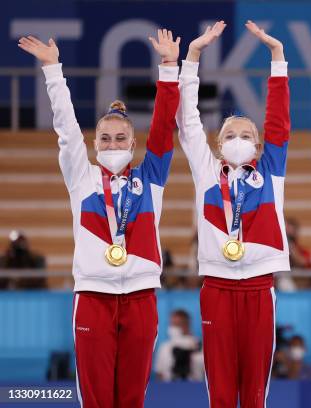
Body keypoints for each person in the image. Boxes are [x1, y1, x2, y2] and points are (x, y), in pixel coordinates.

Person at [18, 29, 180, 407]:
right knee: (95, 399)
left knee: (131, 398)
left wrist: (169, 68)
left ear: (133, 143)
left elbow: (163, 130)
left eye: (120, 139)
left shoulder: (150, 179)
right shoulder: (83, 177)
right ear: (95, 145)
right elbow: (66, 129)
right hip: (93, 296)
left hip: (141, 296)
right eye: (105, 139)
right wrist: (53, 71)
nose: (112, 145)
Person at [176, 20, 291, 407]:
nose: (237, 140)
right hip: (217, 288)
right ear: (218, 144)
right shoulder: (208, 173)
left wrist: (277, 57)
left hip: (260, 287)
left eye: (245, 135)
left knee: (256, 390)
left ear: (258, 144)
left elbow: (278, 121)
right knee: (221, 390)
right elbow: (188, 122)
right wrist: (192, 57)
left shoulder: (271, 172)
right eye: (229, 135)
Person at [155, 309, 204, 382]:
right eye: (172, 324)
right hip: (169, 388)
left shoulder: (200, 347)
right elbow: (159, 373)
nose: (173, 327)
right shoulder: (164, 347)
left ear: (186, 325)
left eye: (177, 324)